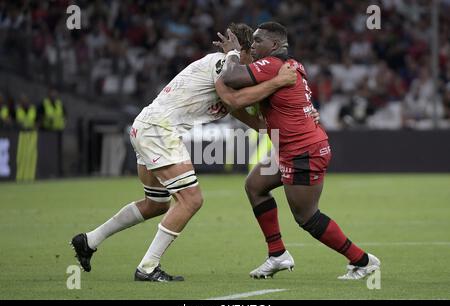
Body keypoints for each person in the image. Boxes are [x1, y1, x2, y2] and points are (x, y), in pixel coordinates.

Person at [70, 23, 298, 282]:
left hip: (148, 126)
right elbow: (234, 101)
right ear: (241, 50)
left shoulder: (231, 74)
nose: (254, 63)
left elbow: (239, 111)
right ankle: (147, 267)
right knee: (191, 199)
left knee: (155, 204)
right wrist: (277, 79)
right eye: (252, 54)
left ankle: (89, 240)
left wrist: (278, 124)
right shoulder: (223, 64)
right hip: (159, 129)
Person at [217, 21, 380, 280]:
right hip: (292, 147)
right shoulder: (290, 66)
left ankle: (362, 261)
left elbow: (230, 77)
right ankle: (277, 254)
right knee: (255, 186)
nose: (254, 44)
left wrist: (232, 55)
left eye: (259, 40)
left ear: (275, 45)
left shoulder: (272, 65)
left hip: (303, 151)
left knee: (306, 217)